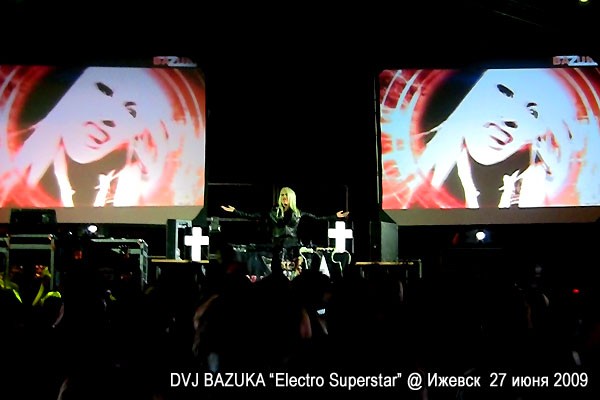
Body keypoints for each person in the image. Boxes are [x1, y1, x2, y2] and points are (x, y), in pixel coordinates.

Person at [380, 68, 594, 209]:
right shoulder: (401, 175)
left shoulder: (539, 188)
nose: (511, 118)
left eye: (534, 113)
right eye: (504, 92)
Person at [0, 65, 206, 207]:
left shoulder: (133, 186)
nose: (110, 118)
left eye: (131, 112)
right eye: (104, 91)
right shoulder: (11, 172)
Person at [221, 186, 349, 278]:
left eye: (286, 195)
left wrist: (335, 216)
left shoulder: (298, 213)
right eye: (282, 195)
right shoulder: (273, 212)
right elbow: (253, 216)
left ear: (291, 198)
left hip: (293, 245)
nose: (284, 197)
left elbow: (317, 218)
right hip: (277, 244)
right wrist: (235, 211)